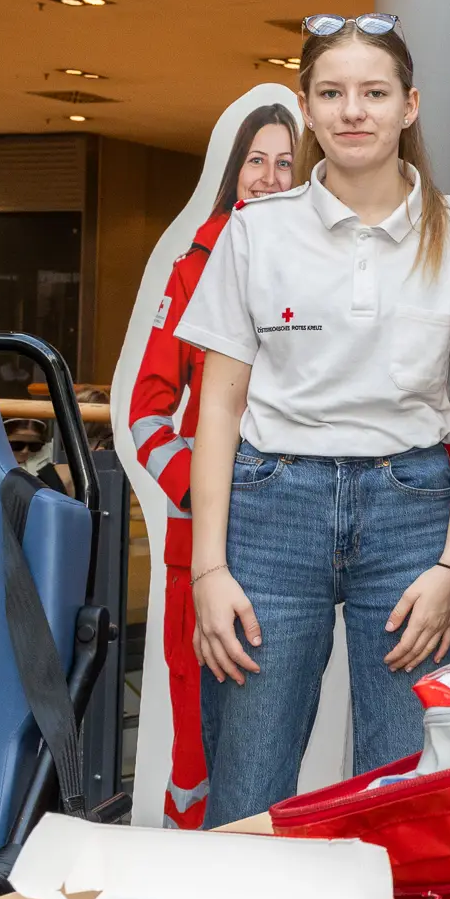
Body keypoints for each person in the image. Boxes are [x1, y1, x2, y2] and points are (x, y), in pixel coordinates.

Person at [178, 14, 450, 824]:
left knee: (402, 790)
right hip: (271, 515)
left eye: (374, 93)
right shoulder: (255, 231)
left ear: (410, 106)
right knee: (247, 787)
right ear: (308, 110)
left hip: (414, 517)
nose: (353, 111)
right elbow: (219, 406)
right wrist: (209, 570)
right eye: (332, 94)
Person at [127, 102, 296, 829]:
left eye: (285, 163)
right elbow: (145, 411)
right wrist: (200, 493)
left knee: (266, 741)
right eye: (256, 161)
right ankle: (184, 874)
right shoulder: (194, 265)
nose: (269, 177)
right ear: (233, 171)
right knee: (196, 746)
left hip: (287, 537)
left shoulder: (316, 264)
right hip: (198, 542)